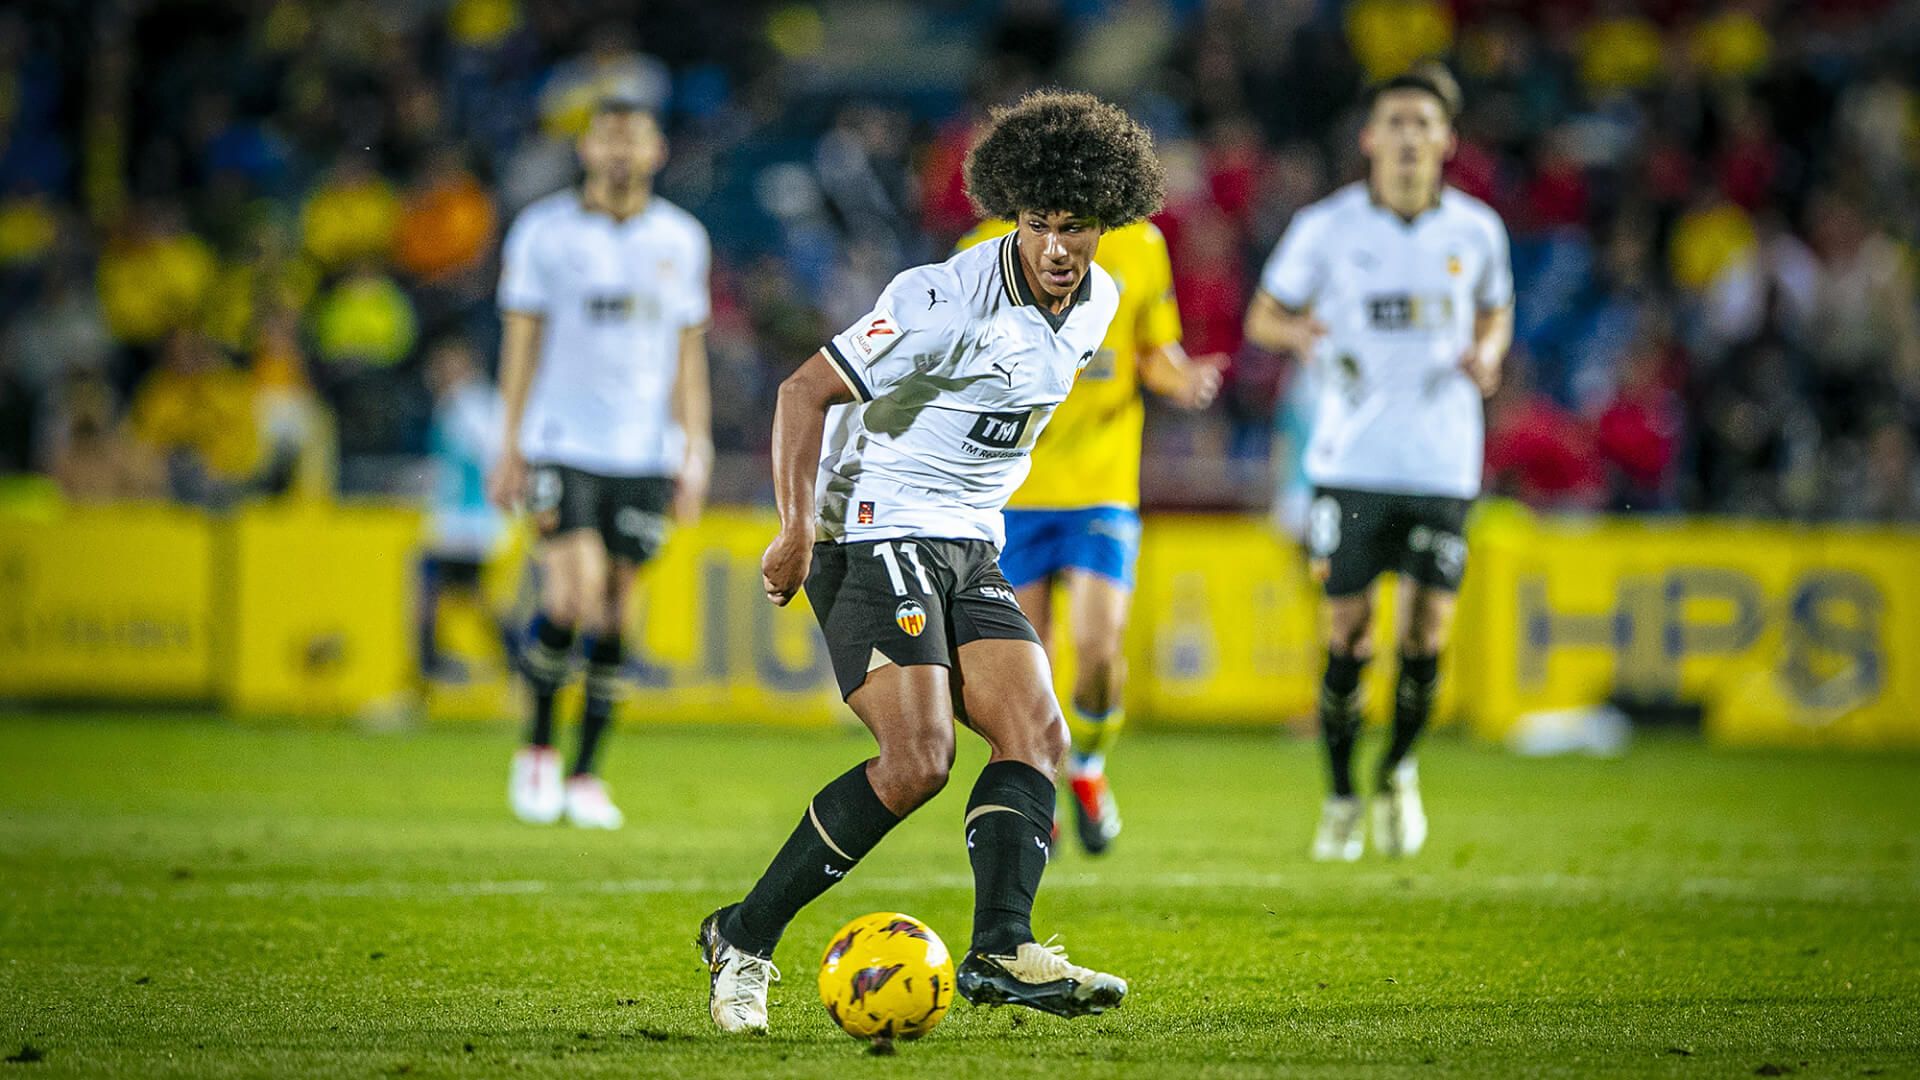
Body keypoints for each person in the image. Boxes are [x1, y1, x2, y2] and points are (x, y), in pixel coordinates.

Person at [698, 90, 1164, 1032]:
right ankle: (741, 940)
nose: (1059, 248)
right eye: (1039, 225)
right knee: (918, 760)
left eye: (1079, 227)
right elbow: (801, 391)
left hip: (969, 537)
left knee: (1037, 732)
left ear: (1107, 222)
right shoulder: (941, 297)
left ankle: (1001, 949)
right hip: (870, 528)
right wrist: (796, 529)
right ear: (1012, 217)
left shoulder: (1103, 301)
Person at [1243, 63, 1513, 861]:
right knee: (1350, 636)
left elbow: (1497, 310)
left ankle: (1397, 769)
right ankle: (1338, 797)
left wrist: (1490, 353)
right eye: (1393, 123)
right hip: (1350, 458)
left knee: (1427, 638)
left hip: (1442, 463)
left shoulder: (1477, 230)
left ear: (1446, 140)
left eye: (1421, 124)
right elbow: (1264, 315)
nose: (1406, 137)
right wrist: (1304, 337)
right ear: (1368, 138)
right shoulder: (1327, 227)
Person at [953, 216, 1221, 855]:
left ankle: (1089, 765)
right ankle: (1038, 785)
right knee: (1029, 667)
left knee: (1099, 650)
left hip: (1102, 485)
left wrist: (1179, 380)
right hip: (1012, 491)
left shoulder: (1139, 245)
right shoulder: (978, 250)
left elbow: (1153, 349)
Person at [488, 98, 713, 830]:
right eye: (607, 141)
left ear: (657, 152)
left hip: (644, 449)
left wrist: (695, 446)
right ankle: (538, 753)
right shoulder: (543, 232)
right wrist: (509, 441)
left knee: (619, 611)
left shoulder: (682, 237)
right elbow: (520, 340)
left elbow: (688, 353)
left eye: (633, 141)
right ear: (585, 149)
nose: (620, 155)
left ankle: (586, 774)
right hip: (560, 438)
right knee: (570, 594)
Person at [419, 338, 512, 684]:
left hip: (467, 523)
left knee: (437, 592)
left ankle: (430, 666)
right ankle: (509, 660)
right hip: (466, 520)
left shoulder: (468, 405)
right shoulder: (466, 403)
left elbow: (489, 456)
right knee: (468, 595)